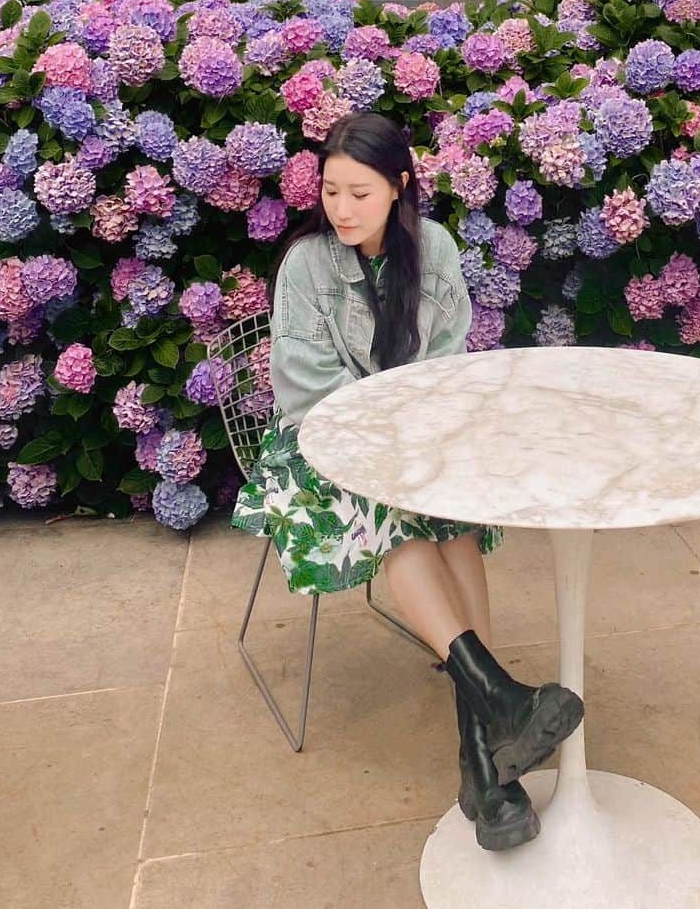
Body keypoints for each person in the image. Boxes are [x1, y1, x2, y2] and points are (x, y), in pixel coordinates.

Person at [232, 112, 584, 852]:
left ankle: (486, 744)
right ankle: (497, 720)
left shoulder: (436, 250)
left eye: (359, 192)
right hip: (318, 451)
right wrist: (385, 441)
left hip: (415, 437)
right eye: (330, 191)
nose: (342, 209)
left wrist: (415, 437)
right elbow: (304, 390)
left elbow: (447, 367)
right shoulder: (306, 266)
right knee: (392, 511)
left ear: (399, 187)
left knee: (448, 519)